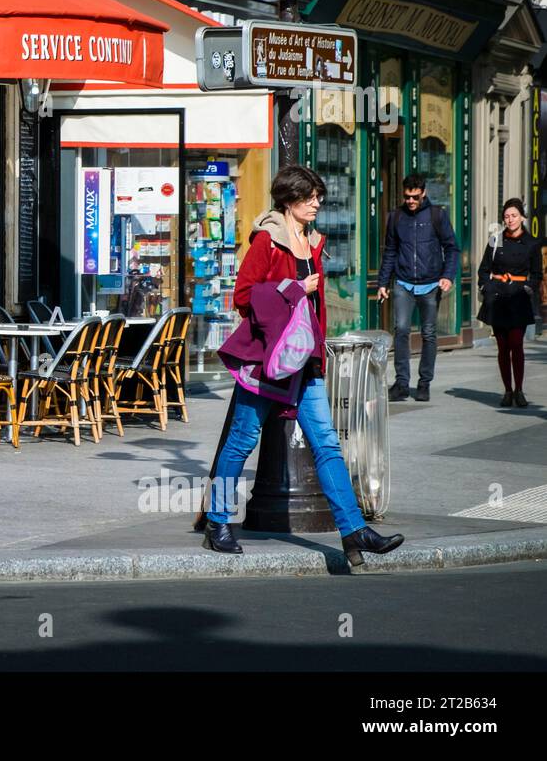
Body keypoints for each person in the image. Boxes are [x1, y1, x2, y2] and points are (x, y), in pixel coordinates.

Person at [203, 165, 405, 565]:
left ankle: (353, 531)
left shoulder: (312, 240)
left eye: (318, 196)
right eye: (309, 196)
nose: (317, 203)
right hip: (268, 362)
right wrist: (294, 288)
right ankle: (217, 522)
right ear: (289, 198)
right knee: (242, 442)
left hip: (305, 362)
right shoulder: (268, 239)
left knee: (327, 445)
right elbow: (243, 296)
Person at [377, 173, 459, 403]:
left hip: (431, 284)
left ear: (423, 193)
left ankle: (424, 383)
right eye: (407, 197)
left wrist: (448, 276)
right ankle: (402, 383)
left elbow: (452, 248)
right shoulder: (396, 218)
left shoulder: (437, 215)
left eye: (415, 197)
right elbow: (390, 251)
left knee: (429, 333)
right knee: (401, 329)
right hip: (403, 283)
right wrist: (383, 282)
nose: (411, 201)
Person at [476, 198, 542, 408]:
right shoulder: (497, 240)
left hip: (518, 298)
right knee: (503, 347)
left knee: (517, 344)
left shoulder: (531, 243)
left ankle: (520, 390)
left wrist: (528, 288)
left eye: (514, 216)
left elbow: (537, 273)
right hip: (498, 298)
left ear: (522, 217)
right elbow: (484, 269)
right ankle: (507, 390)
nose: (510, 220)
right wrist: (487, 287)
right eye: (506, 216)